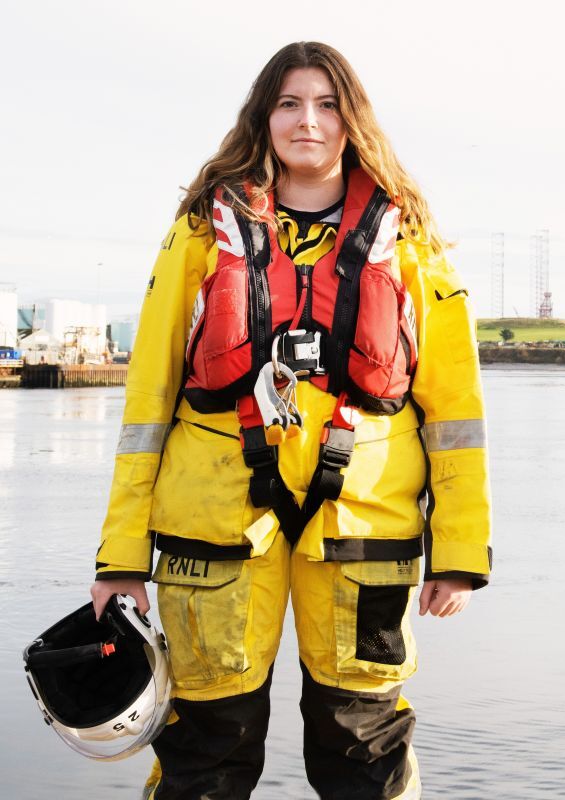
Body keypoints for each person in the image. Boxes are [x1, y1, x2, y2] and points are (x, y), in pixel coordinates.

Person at [88, 41, 492, 800]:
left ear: (353, 120)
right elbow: (147, 404)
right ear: (263, 118)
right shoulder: (200, 234)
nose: (309, 120)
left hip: (364, 534)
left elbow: (455, 412)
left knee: (364, 749)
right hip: (215, 534)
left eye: (327, 104)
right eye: (289, 103)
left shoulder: (410, 241)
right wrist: (121, 558)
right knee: (206, 750)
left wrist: (460, 551)